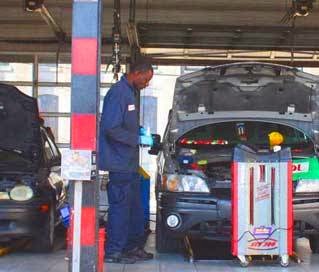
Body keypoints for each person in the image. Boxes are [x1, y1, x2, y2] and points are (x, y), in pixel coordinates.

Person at [98, 60, 154, 264]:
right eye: (146, 79)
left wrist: (139, 131)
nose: (146, 84)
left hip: (128, 163)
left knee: (133, 208)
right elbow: (110, 127)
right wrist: (136, 139)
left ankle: (131, 247)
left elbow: (123, 124)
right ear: (137, 73)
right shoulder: (119, 93)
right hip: (118, 163)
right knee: (120, 208)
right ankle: (114, 251)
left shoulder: (129, 92)